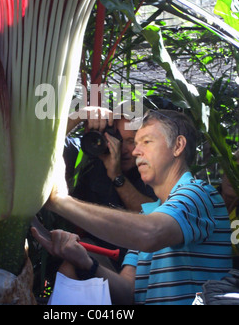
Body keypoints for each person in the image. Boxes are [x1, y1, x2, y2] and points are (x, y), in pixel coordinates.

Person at [32, 110, 233, 305]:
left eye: (146, 142)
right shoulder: (150, 212)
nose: (135, 151)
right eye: (135, 144)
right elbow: (128, 293)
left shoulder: (198, 194)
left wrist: (61, 201)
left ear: (178, 146)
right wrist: (86, 262)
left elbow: (150, 233)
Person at [63, 106, 156, 270]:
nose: (124, 149)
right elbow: (44, 146)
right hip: (94, 255)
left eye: (131, 141)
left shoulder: (153, 169)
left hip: (140, 265)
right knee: (71, 263)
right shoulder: (90, 156)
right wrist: (81, 114)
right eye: (117, 138)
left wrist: (116, 175)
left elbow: (153, 219)